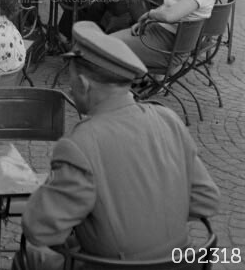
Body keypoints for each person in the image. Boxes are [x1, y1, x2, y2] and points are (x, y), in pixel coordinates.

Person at [16, 21, 220, 269]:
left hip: (114, 265)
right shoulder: (169, 119)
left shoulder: (79, 145)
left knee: (31, 255)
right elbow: (206, 200)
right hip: (182, 263)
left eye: (71, 80)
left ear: (84, 84)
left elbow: (40, 229)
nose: (70, 87)